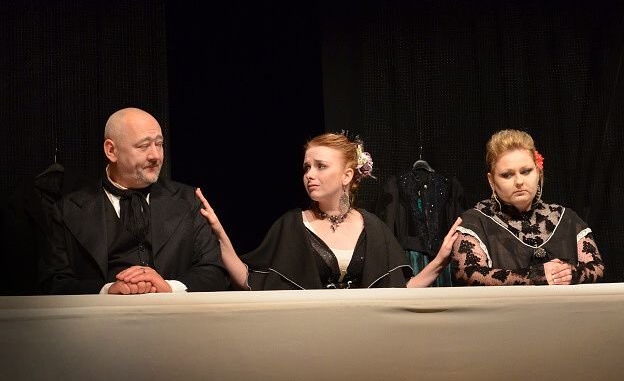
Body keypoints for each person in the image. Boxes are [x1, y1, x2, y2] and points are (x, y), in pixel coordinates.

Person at [197, 133, 459, 290]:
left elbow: (400, 291)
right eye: (306, 167)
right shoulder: (292, 225)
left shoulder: (373, 228)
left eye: (320, 166)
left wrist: (439, 262)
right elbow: (250, 282)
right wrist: (219, 234)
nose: (309, 175)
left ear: (347, 175)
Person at [38, 108, 229, 294]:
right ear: (111, 151)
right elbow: (52, 282)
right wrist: (107, 290)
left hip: (175, 313)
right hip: (102, 315)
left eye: (159, 144)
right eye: (143, 146)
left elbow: (215, 272)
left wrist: (169, 287)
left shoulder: (188, 200)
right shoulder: (68, 210)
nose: (155, 155)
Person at [451, 129, 604, 285]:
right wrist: (535, 276)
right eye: (507, 175)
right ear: (492, 181)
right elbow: (469, 274)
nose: (519, 181)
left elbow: (597, 268)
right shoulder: (475, 222)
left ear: (538, 172)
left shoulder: (566, 218)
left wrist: (571, 274)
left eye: (526, 172)